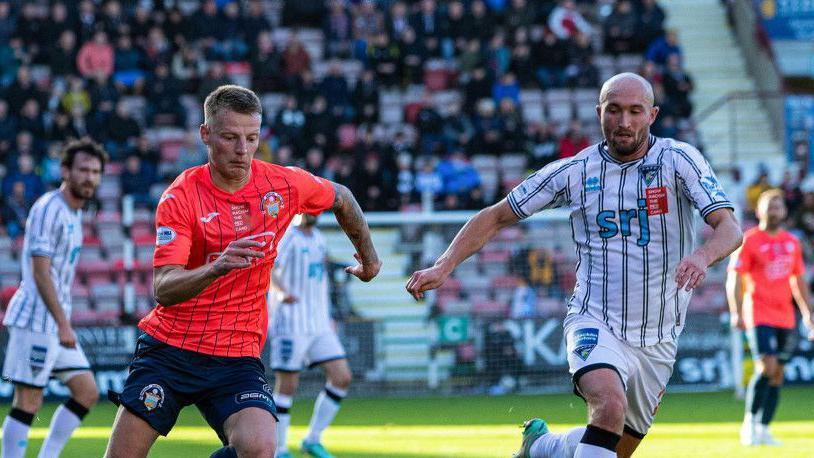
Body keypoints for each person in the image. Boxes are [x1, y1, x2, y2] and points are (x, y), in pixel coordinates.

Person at [406, 73, 743, 458]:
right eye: (613, 110)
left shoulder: (679, 160)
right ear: (599, 112)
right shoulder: (575, 172)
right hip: (594, 319)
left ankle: (544, 447)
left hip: (659, 336)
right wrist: (444, 265)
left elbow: (730, 228)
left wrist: (702, 256)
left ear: (652, 115)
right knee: (609, 406)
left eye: (635, 111)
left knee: (614, 446)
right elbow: (498, 215)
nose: (624, 121)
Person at [104, 85, 381, 458]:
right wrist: (216, 267)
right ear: (206, 134)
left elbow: (342, 197)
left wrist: (370, 258)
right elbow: (164, 287)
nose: (242, 150)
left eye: (251, 138)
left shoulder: (282, 184)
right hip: (171, 349)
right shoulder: (181, 196)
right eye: (230, 137)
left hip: (236, 353)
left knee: (259, 448)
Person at [1, 138, 107, 458]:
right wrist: (64, 323)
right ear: (65, 171)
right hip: (37, 320)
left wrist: (62, 323)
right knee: (28, 402)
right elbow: (40, 272)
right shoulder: (49, 209)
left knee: (87, 391)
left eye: (95, 172)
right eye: (83, 170)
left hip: (54, 323)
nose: (89, 177)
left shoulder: (74, 214)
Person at [726, 189, 814, 447]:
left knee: (778, 374)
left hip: (785, 315)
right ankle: (749, 423)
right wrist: (736, 311)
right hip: (759, 312)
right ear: (759, 210)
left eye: (779, 204)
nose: (775, 208)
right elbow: (735, 278)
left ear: (785, 211)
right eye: (770, 204)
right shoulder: (749, 240)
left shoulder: (792, 242)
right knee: (767, 367)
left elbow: (798, 281)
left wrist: (808, 313)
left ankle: (764, 429)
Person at [268, 213, 350, 458]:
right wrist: (280, 292)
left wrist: (330, 314)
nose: (313, 212)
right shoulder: (287, 237)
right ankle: (279, 449)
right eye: (309, 208)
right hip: (291, 321)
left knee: (342, 376)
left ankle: (312, 439)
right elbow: (269, 268)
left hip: (319, 322)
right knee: (287, 385)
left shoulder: (318, 238)